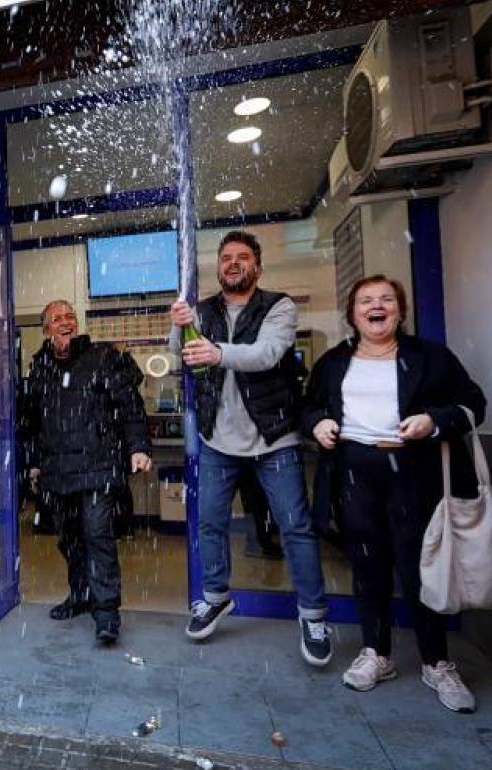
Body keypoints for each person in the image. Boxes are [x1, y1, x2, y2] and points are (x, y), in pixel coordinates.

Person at [303, 274, 485, 713]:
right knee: (368, 566)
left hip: (413, 470)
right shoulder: (332, 362)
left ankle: (436, 662)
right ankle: (376, 653)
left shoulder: (431, 357)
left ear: (400, 311)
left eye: (386, 299)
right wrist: (317, 423)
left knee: (418, 566)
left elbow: (473, 404)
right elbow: (308, 407)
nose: (376, 306)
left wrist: (433, 421)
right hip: (354, 471)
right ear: (353, 314)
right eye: (366, 301)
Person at [170, 229, 331, 666]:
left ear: (257, 266)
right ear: (218, 267)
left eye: (243, 257)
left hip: (274, 437)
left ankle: (313, 614)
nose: (234, 264)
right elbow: (181, 356)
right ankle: (216, 596)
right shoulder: (204, 310)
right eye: (226, 258)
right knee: (210, 525)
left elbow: (267, 354)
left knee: (295, 527)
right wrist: (179, 325)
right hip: (217, 439)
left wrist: (217, 352)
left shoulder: (278, 306)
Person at [20, 299, 152, 643]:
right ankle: (79, 596)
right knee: (70, 540)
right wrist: (33, 462)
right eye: (57, 318)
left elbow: (129, 405)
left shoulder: (102, 357)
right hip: (57, 471)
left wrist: (138, 447)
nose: (65, 322)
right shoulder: (40, 367)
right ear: (46, 329)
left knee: (98, 537)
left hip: (98, 466)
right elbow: (33, 421)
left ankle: (106, 614)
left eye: (69, 317)